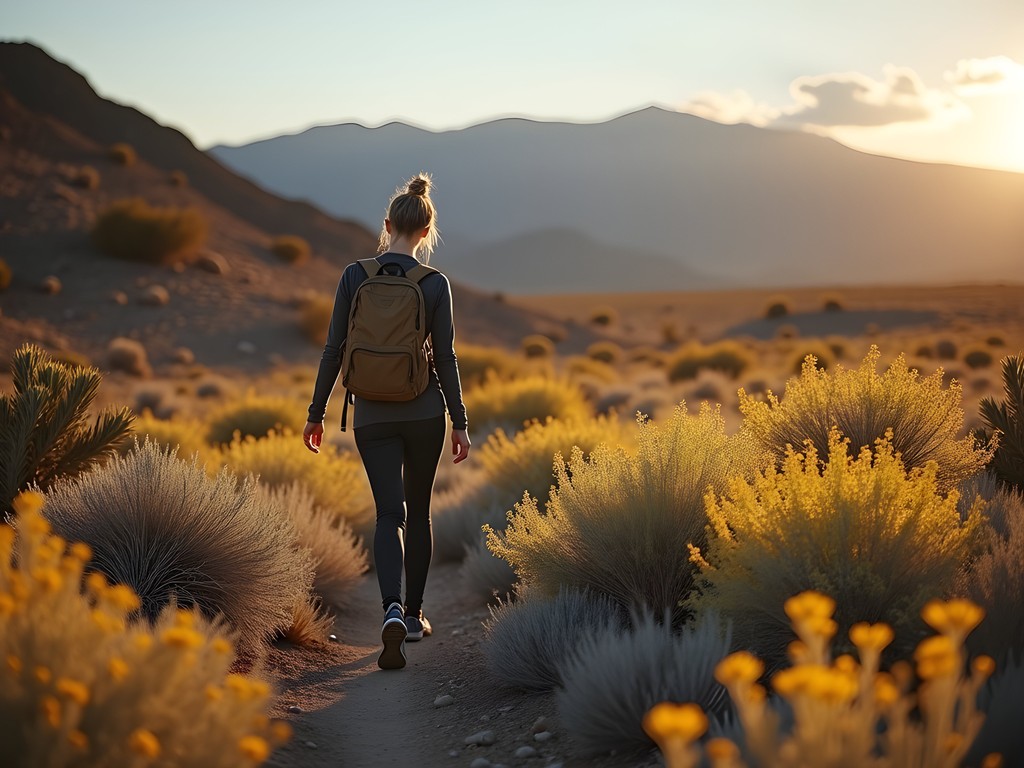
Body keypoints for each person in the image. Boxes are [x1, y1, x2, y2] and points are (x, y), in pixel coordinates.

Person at [302, 173, 471, 670]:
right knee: (418, 514)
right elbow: (446, 357)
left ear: (387, 225)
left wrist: (316, 414)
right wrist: (459, 421)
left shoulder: (355, 275)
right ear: (425, 233)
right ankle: (415, 616)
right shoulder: (434, 283)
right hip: (424, 413)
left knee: (387, 515)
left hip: (371, 415)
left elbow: (333, 349)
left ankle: (390, 609)